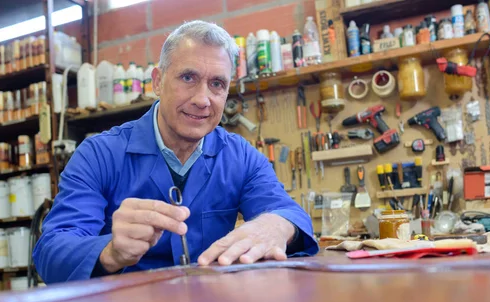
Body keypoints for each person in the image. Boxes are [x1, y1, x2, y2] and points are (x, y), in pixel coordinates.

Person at [33, 20, 318, 283]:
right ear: (157, 81)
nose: (203, 99)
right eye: (188, 78)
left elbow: (290, 214)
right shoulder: (99, 155)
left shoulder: (241, 157)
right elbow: (51, 253)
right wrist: (109, 252)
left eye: (217, 84)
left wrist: (277, 227)